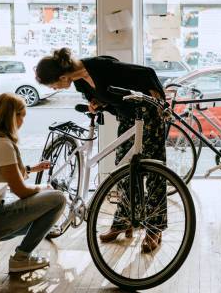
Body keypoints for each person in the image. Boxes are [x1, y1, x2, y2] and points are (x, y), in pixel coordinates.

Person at [34, 48, 166, 253]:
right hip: (128, 118)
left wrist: (158, 99)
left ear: (62, 76)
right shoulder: (78, 81)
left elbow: (147, 73)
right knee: (123, 172)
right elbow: (106, 96)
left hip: (148, 116)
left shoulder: (101, 66)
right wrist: (96, 103)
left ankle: (154, 229)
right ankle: (124, 221)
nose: (56, 88)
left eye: (54, 85)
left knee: (153, 171)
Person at [0, 93, 66, 273]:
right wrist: (42, 187)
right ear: (12, 117)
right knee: (58, 199)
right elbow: (21, 190)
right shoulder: (3, 145)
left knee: (11, 201)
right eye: (22, 115)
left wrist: (30, 169)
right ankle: (21, 258)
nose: (23, 121)